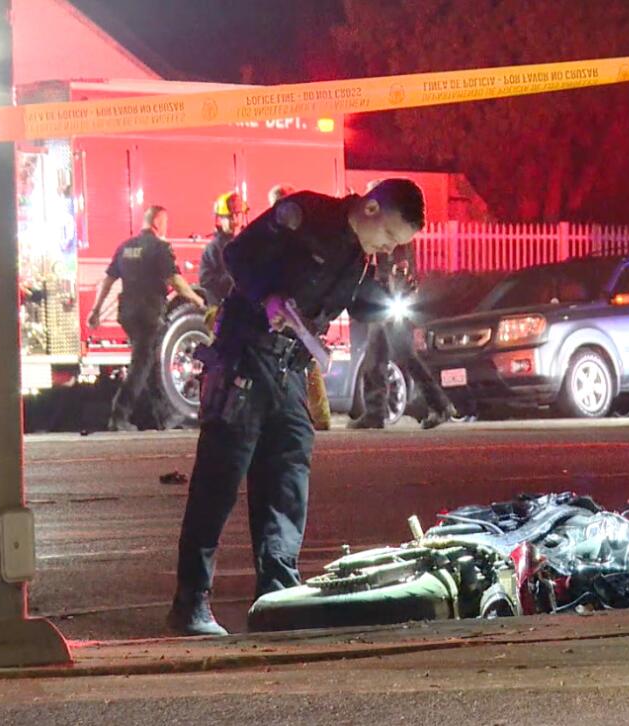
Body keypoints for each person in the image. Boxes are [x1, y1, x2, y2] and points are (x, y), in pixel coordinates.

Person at [166, 179, 425, 635]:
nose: (385, 248)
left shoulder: (358, 259)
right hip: (245, 355)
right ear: (369, 209)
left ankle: (279, 596)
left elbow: (355, 305)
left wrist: (391, 298)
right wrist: (267, 297)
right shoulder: (304, 215)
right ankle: (191, 603)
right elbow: (238, 255)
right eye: (387, 236)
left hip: (289, 369)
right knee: (219, 480)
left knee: (288, 474)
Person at [87, 206, 205, 432]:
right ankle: (119, 416)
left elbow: (108, 281)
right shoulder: (160, 248)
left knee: (149, 363)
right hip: (148, 314)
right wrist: (197, 301)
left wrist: (96, 310)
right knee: (141, 366)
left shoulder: (125, 247)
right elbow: (176, 281)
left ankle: (163, 419)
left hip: (128, 314)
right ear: (159, 224)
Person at [348, 249, 456, 430]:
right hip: (383, 303)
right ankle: (376, 413)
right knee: (379, 358)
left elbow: (400, 271)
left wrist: (393, 294)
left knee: (397, 356)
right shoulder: (386, 238)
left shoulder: (391, 238)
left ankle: (439, 406)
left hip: (388, 304)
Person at [267, 184, 332, 432]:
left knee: (303, 360)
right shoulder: (299, 233)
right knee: (303, 360)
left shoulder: (287, 236)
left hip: (294, 308)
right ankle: (313, 415)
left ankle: (309, 415)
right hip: (292, 308)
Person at [199, 191, 247, 305]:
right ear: (220, 220)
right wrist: (231, 278)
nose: (235, 220)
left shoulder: (249, 243)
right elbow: (205, 281)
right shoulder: (213, 248)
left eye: (238, 215)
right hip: (223, 307)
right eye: (229, 217)